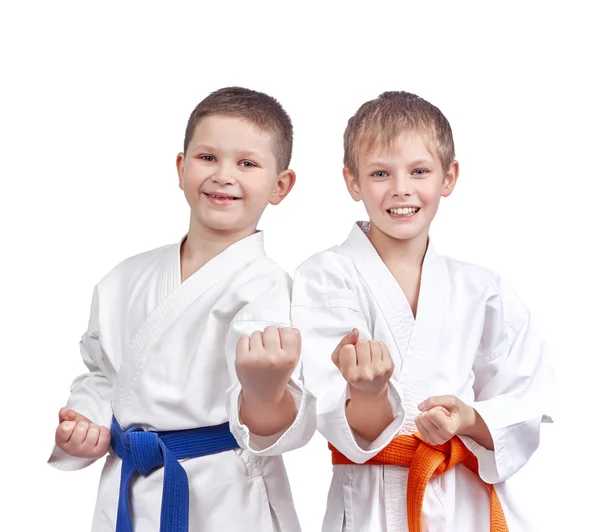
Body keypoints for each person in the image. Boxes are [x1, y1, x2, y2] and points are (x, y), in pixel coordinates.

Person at [49, 86, 316, 532]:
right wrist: (88, 420)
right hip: (130, 486)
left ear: (280, 185)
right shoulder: (123, 279)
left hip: (226, 494)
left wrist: (266, 390)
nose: (223, 175)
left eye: (247, 163)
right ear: (181, 167)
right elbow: (105, 376)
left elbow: (278, 423)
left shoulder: (270, 289)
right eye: (208, 157)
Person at [291, 91, 555, 531]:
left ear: (448, 177)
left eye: (419, 171)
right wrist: (370, 393)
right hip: (369, 503)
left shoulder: (482, 289)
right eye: (380, 173)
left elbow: (525, 399)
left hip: (462, 498)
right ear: (352, 181)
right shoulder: (325, 276)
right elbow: (333, 412)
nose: (401, 189)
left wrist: (470, 419)